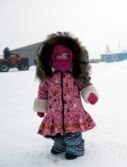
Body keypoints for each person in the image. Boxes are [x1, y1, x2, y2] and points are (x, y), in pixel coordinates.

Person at [33, 32, 99, 160]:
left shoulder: (75, 74)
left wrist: (90, 94)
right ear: (51, 57)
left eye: (66, 55)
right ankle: (60, 144)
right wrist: (41, 108)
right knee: (55, 133)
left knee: (73, 133)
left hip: (73, 112)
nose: (62, 58)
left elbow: (85, 85)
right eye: (59, 55)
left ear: (72, 57)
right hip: (54, 113)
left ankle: (76, 148)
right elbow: (42, 92)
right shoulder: (48, 77)